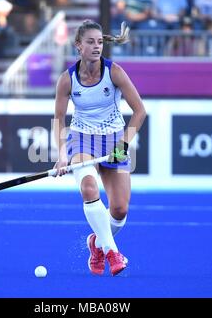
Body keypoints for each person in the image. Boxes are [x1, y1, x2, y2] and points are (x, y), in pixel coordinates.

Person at [52, 20, 147, 276]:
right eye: (90, 42)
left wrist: (123, 145)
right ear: (78, 46)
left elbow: (140, 112)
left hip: (114, 141)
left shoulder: (114, 72)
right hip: (82, 140)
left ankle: (96, 243)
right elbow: (59, 120)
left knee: (119, 210)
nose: (96, 47)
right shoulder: (67, 80)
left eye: (100, 42)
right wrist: (62, 155)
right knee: (89, 188)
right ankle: (112, 252)